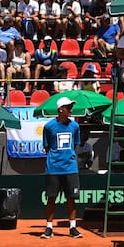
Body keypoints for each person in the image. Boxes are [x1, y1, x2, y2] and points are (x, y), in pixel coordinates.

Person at [41, 96, 83, 239]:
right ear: (60, 110)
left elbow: (76, 145)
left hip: (70, 168)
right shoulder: (48, 127)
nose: (71, 110)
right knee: (51, 198)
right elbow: (47, 147)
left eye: (71, 107)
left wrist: (68, 158)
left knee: (71, 198)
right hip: (53, 168)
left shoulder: (75, 126)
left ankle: (72, 228)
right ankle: (49, 228)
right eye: (68, 107)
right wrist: (56, 158)